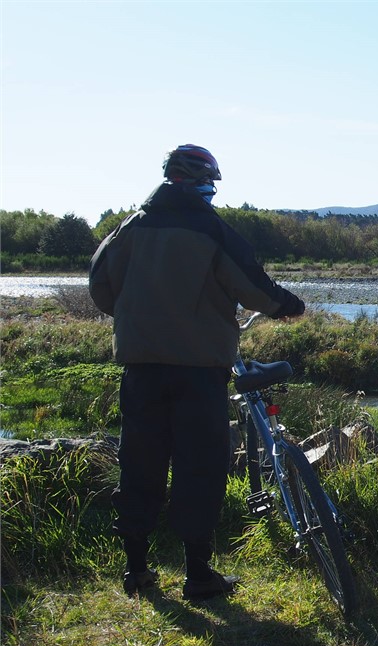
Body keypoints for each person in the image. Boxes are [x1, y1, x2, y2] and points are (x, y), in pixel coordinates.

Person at [89, 144, 305, 601]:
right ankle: (199, 575)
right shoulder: (211, 229)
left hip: (141, 367)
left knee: (139, 464)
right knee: (199, 468)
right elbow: (254, 286)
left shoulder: (130, 227)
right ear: (204, 183)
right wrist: (289, 305)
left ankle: (136, 570)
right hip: (200, 371)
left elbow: (99, 283)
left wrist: (135, 317)